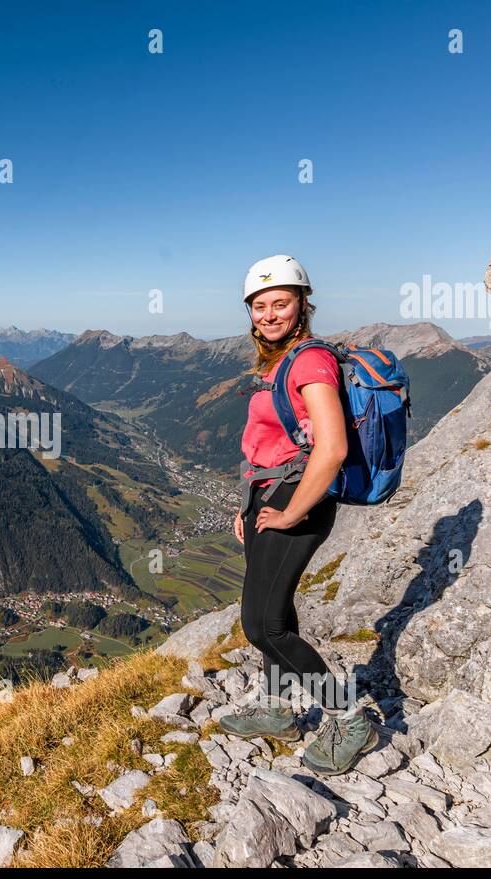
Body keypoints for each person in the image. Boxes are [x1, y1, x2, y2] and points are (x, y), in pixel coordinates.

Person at [216, 254, 377, 775]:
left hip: (294, 503)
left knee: (262, 626)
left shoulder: (309, 361)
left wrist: (287, 516)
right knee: (277, 612)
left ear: (302, 304)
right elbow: (273, 444)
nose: (268, 314)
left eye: (279, 303)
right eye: (260, 306)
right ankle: (280, 710)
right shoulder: (280, 361)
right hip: (270, 496)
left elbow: (330, 449)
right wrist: (253, 507)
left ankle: (351, 719)